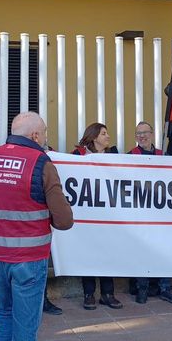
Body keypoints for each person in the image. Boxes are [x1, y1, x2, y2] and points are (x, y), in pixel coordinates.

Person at [0, 112, 73, 341]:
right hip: (28, 257)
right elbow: (64, 220)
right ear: (35, 135)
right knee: (26, 325)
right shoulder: (42, 163)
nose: (46, 137)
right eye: (45, 132)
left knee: (4, 311)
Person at [127, 122, 172, 305]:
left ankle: (165, 288)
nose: (142, 136)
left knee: (163, 250)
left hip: (161, 214)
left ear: (152, 134)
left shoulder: (163, 156)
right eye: (138, 133)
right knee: (141, 250)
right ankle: (142, 288)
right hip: (140, 213)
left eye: (145, 132)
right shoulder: (129, 157)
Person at [72, 123, 122, 310]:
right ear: (94, 137)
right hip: (87, 213)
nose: (108, 137)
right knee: (89, 254)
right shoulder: (78, 155)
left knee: (107, 253)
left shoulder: (113, 155)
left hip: (108, 213)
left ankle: (108, 294)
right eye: (104, 133)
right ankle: (89, 294)